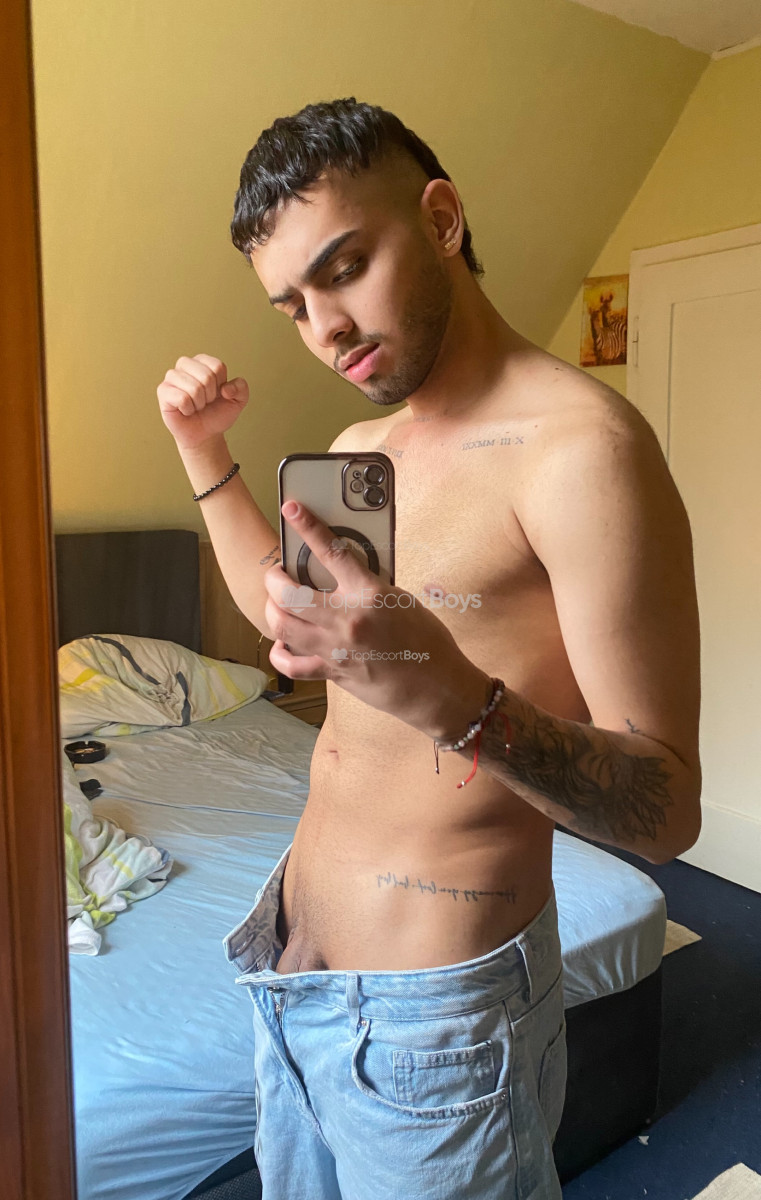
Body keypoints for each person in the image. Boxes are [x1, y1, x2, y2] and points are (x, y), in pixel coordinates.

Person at [156, 97, 701, 1199]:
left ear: (442, 219)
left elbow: (665, 812)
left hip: (434, 1033)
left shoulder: (580, 452)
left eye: (344, 268)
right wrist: (203, 454)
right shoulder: (362, 446)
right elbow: (288, 620)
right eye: (293, 305)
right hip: (288, 983)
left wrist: (450, 695)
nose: (326, 327)